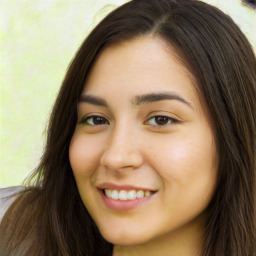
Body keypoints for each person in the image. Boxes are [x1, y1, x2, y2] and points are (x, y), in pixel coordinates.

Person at [0, 0, 255, 255]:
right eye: (97, 119)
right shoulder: (11, 228)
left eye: (161, 120)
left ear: (233, 133)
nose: (115, 157)